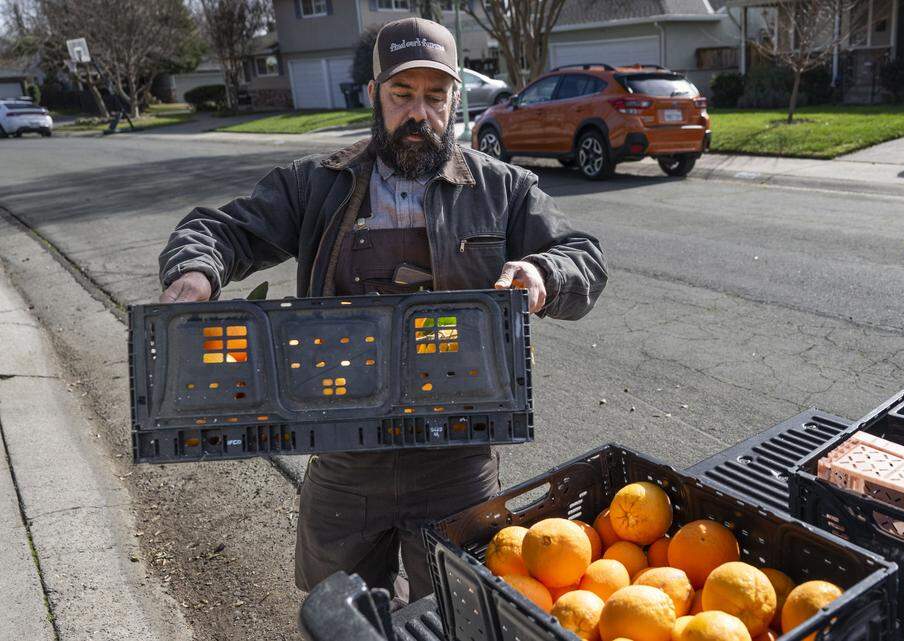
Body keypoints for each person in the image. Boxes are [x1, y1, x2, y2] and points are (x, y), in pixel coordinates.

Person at [157, 17, 607, 603]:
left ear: (455, 101)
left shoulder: (503, 190)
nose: (419, 113)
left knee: (456, 612)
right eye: (402, 95)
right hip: (345, 453)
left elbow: (584, 257)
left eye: (435, 97)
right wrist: (195, 273)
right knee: (341, 613)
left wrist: (541, 272)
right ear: (374, 96)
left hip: (459, 459)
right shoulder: (315, 186)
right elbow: (221, 230)